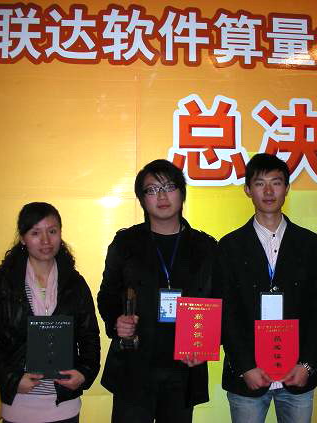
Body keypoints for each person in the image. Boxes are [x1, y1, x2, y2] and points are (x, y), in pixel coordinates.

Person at [97, 159, 217, 423]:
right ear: (142, 199)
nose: (162, 196)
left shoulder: (205, 247)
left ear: (182, 193)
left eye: (169, 187)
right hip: (134, 366)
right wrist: (116, 321)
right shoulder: (126, 243)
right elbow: (107, 295)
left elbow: (219, 301)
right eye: (152, 190)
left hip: (184, 368)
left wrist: (207, 343)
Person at [218, 153, 317, 423]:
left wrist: (307, 365)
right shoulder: (230, 246)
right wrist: (245, 366)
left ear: (287, 188)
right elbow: (226, 312)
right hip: (248, 377)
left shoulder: (309, 243)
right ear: (248, 190)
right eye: (260, 183)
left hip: (297, 375)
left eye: (276, 183)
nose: (268, 191)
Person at [0, 202, 101, 423]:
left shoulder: (74, 283)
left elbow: (89, 335)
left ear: (60, 234)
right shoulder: (3, 284)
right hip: (19, 406)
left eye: (52, 231)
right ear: (23, 239)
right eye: (35, 233)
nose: (45, 241)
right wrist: (12, 379)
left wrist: (84, 372)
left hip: (64, 406)